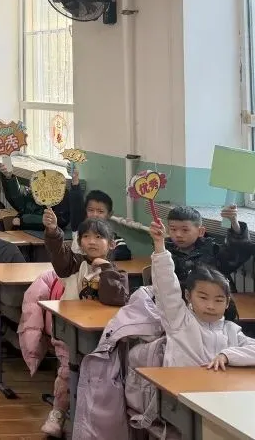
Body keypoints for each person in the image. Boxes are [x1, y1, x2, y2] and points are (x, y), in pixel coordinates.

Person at [39, 209, 130, 437]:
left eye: (99, 237)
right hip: (69, 331)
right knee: (67, 372)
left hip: (100, 337)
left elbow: (114, 298)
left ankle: (89, 418)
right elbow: (58, 255)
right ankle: (58, 412)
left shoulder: (116, 273)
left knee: (98, 379)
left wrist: (105, 268)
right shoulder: (74, 264)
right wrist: (53, 230)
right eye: (86, 237)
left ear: (111, 244)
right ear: (79, 243)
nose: (92, 241)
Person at [151, 219, 255, 369]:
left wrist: (227, 355)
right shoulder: (179, 320)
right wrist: (159, 246)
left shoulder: (231, 330)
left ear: (227, 303)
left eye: (218, 300)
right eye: (203, 298)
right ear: (188, 296)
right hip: (181, 382)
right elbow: (165, 285)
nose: (210, 306)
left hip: (216, 384)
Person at [164, 205, 255, 319]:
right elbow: (161, 285)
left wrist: (234, 223)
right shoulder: (165, 254)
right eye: (173, 229)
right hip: (180, 311)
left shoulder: (212, 251)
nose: (178, 234)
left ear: (200, 231)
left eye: (185, 230)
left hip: (216, 310)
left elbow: (235, 252)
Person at [0, 159, 78, 235]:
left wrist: (22, 220)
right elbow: (17, 198)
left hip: (48, 236)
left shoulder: (61, 195)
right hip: (25, 233)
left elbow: (60, 221)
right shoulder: (34, 192)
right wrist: (9, 177)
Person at [65, 187, 132, 260]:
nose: (95, 215)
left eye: (100, 211)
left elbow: (125, 253)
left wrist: (99, 254)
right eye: (91, 210)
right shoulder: (79, 233)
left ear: (109, 214)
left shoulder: (112, 236)